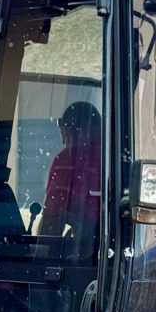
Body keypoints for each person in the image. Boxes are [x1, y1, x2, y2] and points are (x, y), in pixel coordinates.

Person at [38, 99, 103, 242]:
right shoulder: (111, 160)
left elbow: (52, 218)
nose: (63, 141)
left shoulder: (65, 160)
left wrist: (42, 251)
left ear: (75, 132)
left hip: (83, 250)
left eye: (65, 134)